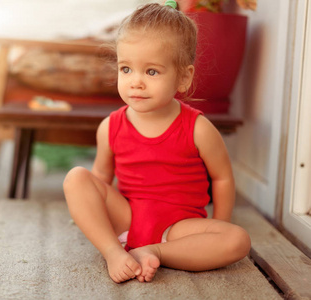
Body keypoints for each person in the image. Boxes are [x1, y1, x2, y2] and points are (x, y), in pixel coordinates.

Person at [63, 0, 251, 284]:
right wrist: (91, 213)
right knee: (77, 177)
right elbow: (100, 178)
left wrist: (217, 227)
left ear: (184, 78)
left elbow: (222, 178)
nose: (136, 82)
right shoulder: (110, 127)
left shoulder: (198, 128)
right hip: (126, 218)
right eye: (126, 69)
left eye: (151, 72)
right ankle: (114, 252)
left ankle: (155, 252)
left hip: (179, 227)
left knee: (237, 239)